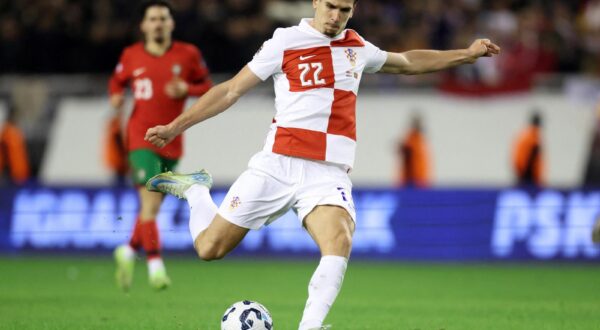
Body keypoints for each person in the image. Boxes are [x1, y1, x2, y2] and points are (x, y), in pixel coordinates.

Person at [144, 0, 499, 328]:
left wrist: (465, 55)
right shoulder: (285, 41)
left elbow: (406, 62)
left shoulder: (357, 47)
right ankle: (196, 192)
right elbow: (231, 90)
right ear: (315, 1)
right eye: (330, 6)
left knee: (339, 240)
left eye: (344, 9)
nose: (335, 16)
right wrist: (177, 126)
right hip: (277, 164)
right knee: (209, 249)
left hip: (328, 172)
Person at [108, 0, 212, 291]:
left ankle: (127, 250)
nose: (157, 23)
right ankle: (156, 267)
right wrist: (115, 97)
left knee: (149, 207)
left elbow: (206, 87)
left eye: (162, 19)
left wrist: (187, 89)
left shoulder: (188, 54)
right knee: (150, 206)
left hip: (173, 140)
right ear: (143, 25)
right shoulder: (130, 55)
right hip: (140, 139)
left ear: (171, 24)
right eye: (152, 19)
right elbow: (116, 82)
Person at [396, 114, 431, 187]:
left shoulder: (420, 139)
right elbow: (404, 150)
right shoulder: (411, 138)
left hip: (421, 180)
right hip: (411, 181)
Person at [512, 111, 545, 187]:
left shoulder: (523, 135)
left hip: (523, 176)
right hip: (530, 179)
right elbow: (531, 160)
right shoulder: (534, 138)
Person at [0, 106, 30, 186]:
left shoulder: (16, 131)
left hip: (19, 173)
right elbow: (5, 153)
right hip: (11, 174)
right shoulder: (7, 131)